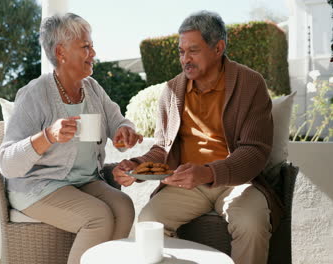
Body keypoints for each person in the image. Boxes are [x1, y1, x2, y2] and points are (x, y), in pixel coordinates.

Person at [113, 10, 281, 264]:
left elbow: (254, 151)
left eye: (193, 50)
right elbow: (162, 149)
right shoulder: (171, 91)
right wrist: (136, 166)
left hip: (238, 182)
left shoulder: (250, 84)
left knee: (251, 225)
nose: (185, 59)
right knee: (148, 223)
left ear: (218, 48)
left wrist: (208, 172)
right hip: (185, 184)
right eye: (181, 52)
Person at [0, 13, 143, 264]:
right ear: (61, 52)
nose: (93, 53)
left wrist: (123, 131)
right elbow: (6, 163)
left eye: (91, 45)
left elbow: (117, 121)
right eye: (86, 47)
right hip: (39, 186)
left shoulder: (93, 89)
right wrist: (47, 136)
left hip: (85, 181)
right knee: (98, 217)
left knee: (123, 206)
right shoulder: (34, 94)